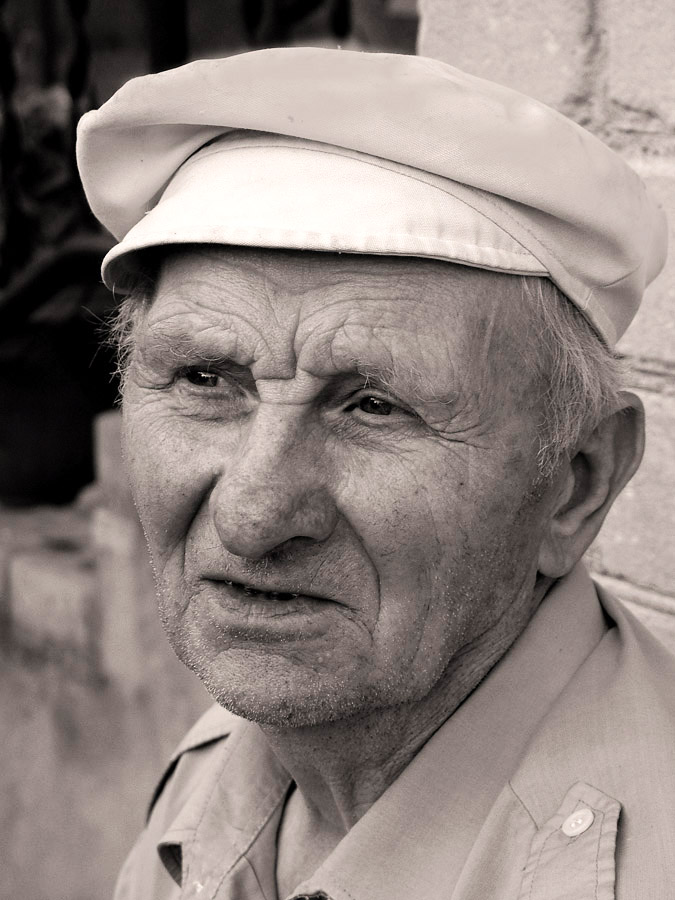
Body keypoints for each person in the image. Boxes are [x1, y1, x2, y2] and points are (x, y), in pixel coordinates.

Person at [77, 48, 674, 899]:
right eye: (204, 379)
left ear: (575, 484)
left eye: (372, 407)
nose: (251, 515)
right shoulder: (224, 767)